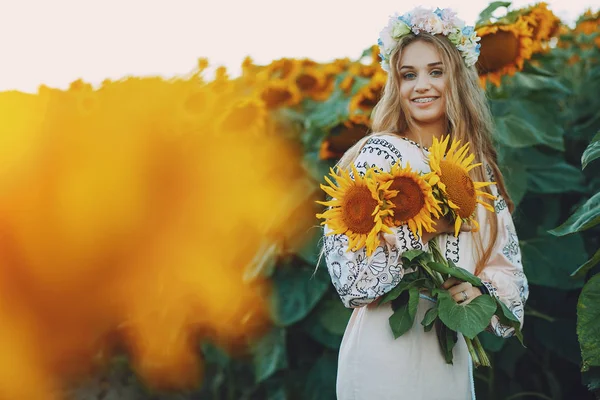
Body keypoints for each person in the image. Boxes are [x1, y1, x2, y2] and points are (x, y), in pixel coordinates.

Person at [320, 7, 529, 400]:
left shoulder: (476, 174)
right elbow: (351, 282)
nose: (422, 86)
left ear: (458, 78)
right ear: (395, 84)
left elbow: (511, 275)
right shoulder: (378, 155)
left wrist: (480, 295)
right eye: (408, 74)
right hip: (384, 350)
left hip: (447, 356)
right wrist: (425, 230)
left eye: (436, 71)